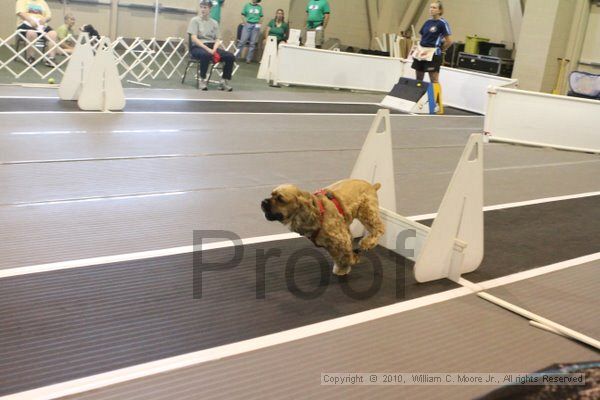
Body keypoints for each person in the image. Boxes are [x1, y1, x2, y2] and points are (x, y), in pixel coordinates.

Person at [187, 0, 235, 91]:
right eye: (201, 7)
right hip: (198, 47)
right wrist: (207, 49)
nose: (203, 9)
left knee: (230, 56)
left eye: (205, 7)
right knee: (206, 54)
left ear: (210, 9)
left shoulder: (214, 22)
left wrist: (214, 49)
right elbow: (194, 38)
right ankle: (202, 80)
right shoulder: (194, 20)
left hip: (212, 46)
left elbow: (218, 39)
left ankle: (223, 81)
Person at [411, 1, 452, 84]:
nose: (431, 9)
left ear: (440, 10)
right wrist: (417, 49)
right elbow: (423, 37)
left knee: (433, 80)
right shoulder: (427, 22)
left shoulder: (442, 23)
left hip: (433, 54)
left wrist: (441, 50)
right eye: (430, 7)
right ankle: (417, 96)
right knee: (418, 79)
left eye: (434, 8)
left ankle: (435, 97)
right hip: (421, 52)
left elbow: (449, 41)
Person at [15, 0, 58, 66]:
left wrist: (45, 19)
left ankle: (51, 59)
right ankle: (31, 58)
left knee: (53, 33)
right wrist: (30, 20)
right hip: (26, 24)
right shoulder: (21, 1)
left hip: (41, 26)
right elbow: (20, 13)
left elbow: (49, 16)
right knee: (31, 33)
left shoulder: (43, 2)